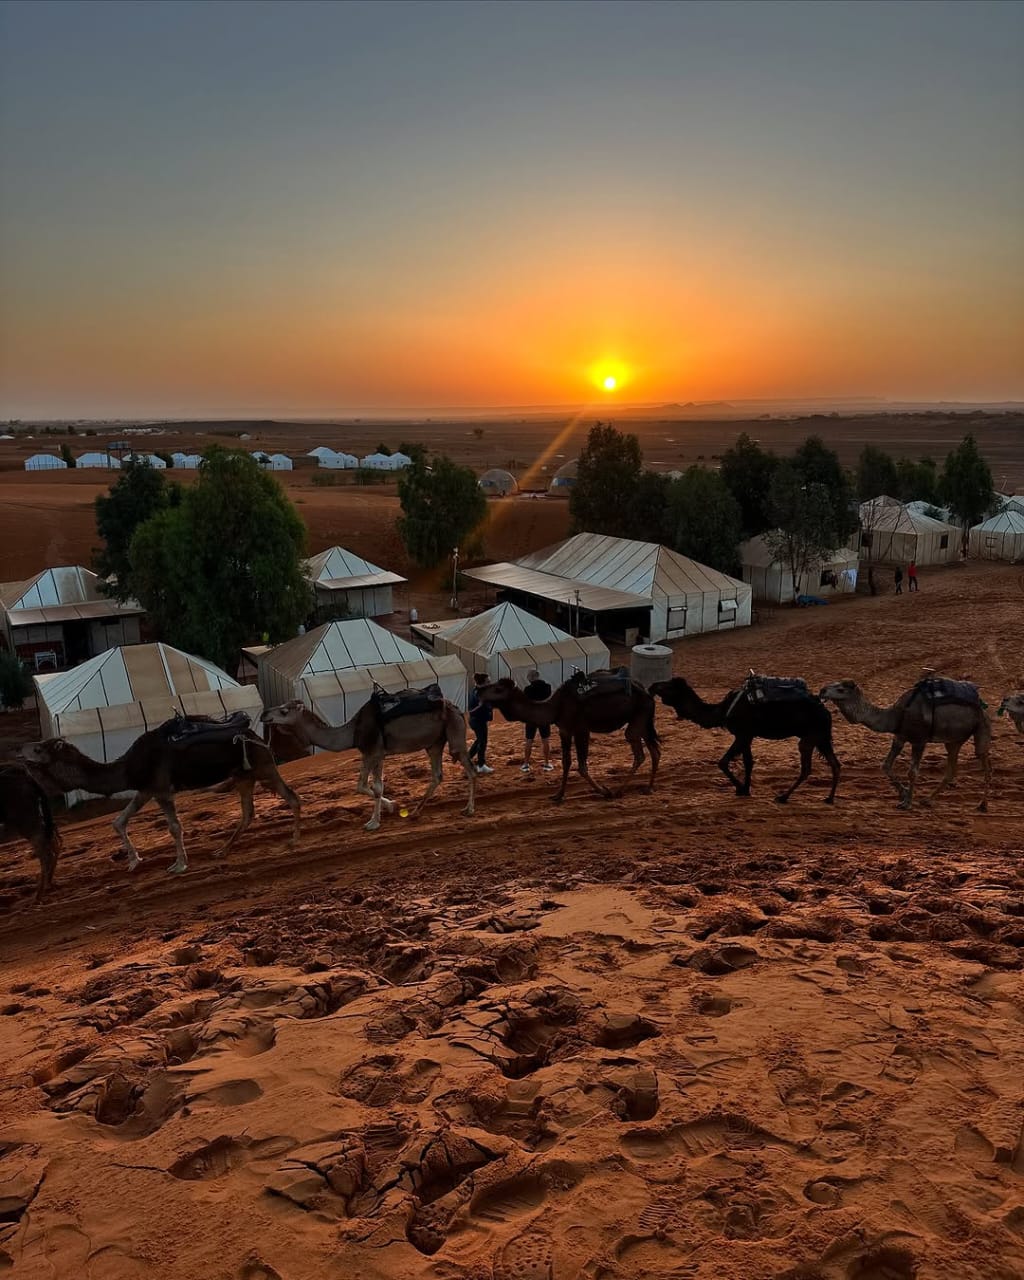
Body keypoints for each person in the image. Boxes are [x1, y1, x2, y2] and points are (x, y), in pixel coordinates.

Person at [521, 669, 554, 773]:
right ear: (538, 676)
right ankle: (547, 764)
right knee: (545, 740)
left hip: (531, 717)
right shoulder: (547, 687)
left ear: (531, 677)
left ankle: (526, 764)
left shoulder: (527, 690)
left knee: (529, 740)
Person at [467, 673, 493, 774]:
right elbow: (474, 710)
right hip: (478, 721)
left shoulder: (477, 691)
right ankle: (481, 765)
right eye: (488, 682)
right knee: (482, 742)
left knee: (479, 741)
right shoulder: (479, 693)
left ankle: (467, 759)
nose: (490, 683)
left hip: (477, 720)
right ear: (483, 683)